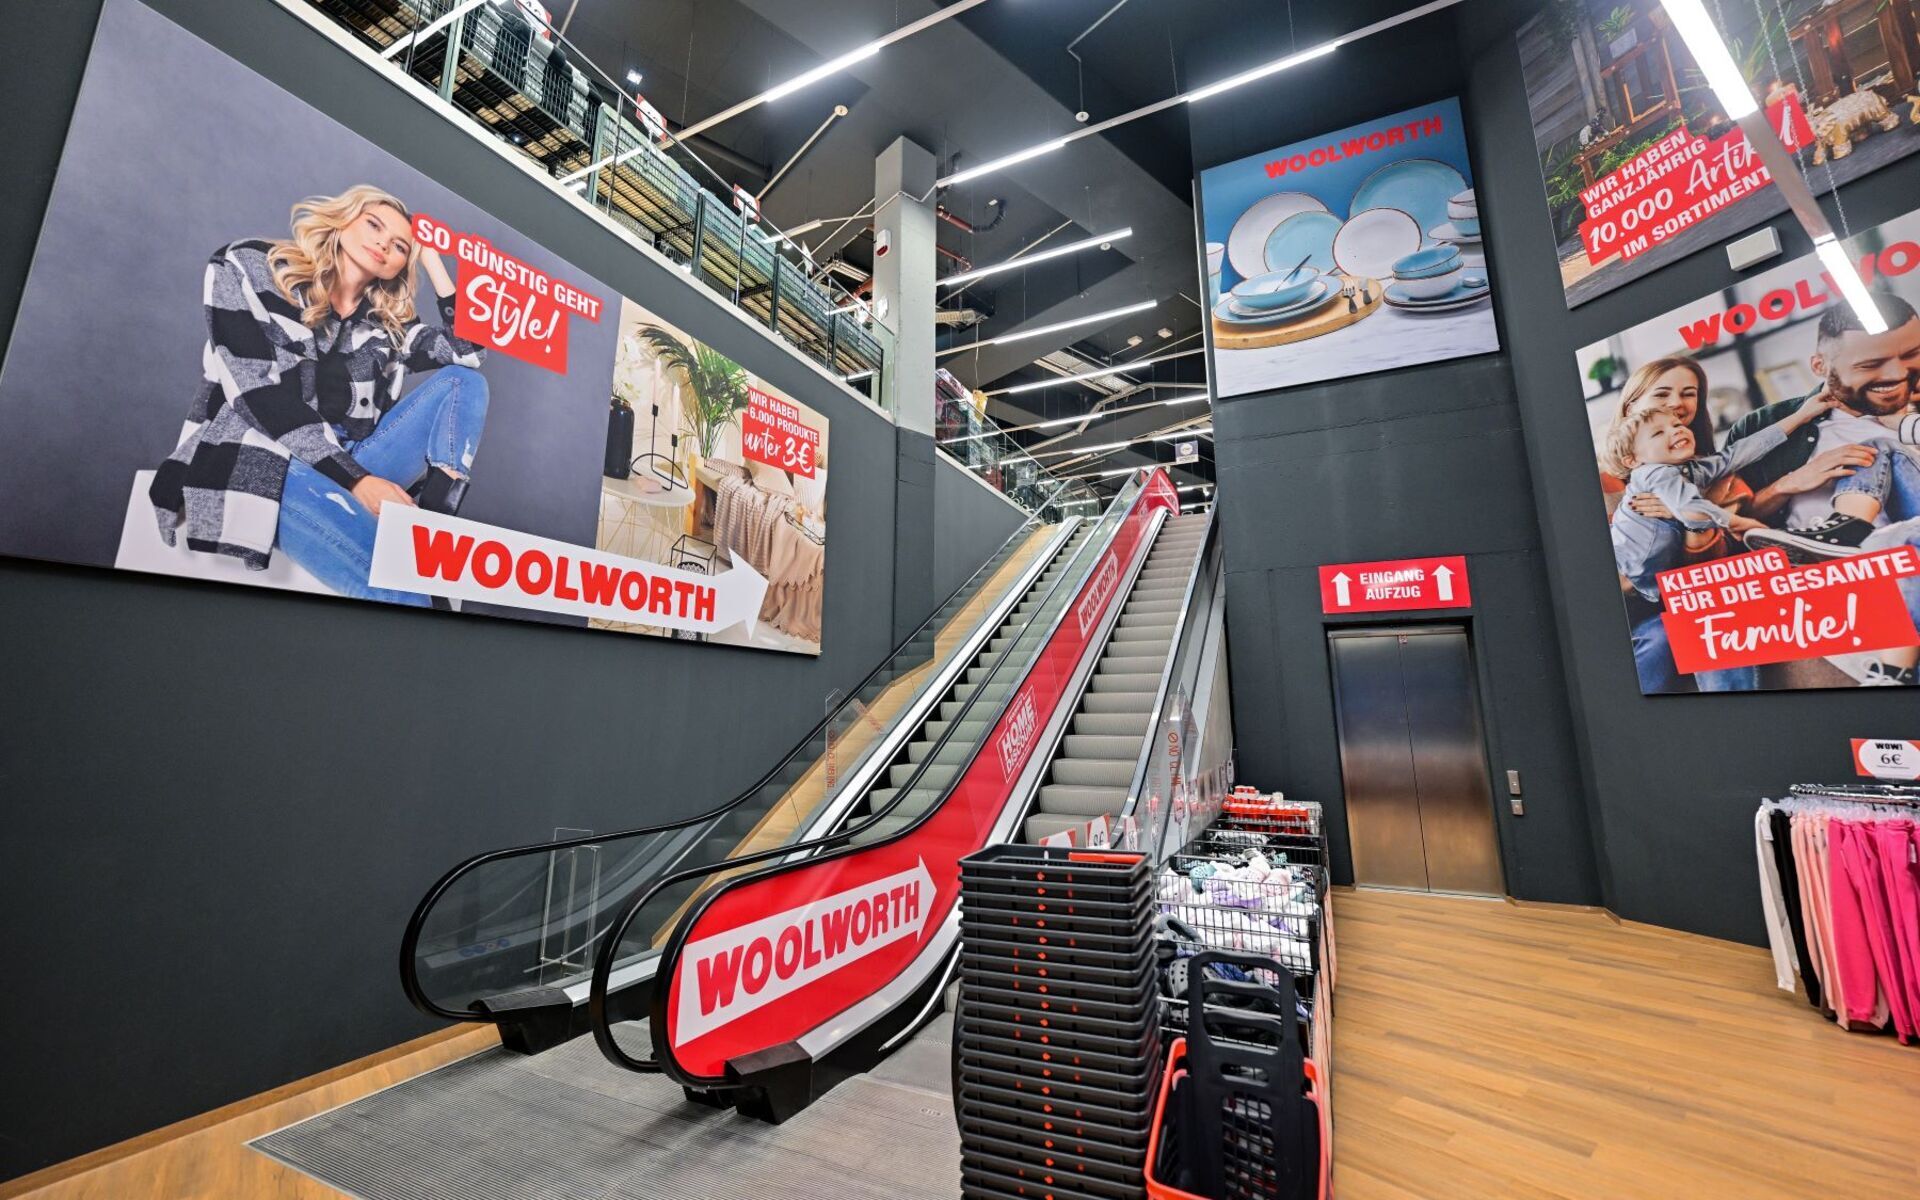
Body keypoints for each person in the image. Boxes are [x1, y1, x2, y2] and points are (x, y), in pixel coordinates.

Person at [150, 186, 488, 607]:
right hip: (270, 455)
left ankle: (436, 517)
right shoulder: (250, 265)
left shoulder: (386, 321)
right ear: (343, 220)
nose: (384, 243)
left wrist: (433, 260)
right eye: (374, 225)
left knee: (463, 381)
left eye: (401, 246)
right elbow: (256, 394)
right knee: (401, 589)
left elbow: (470, 352)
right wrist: (357, 481)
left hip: (355, 456)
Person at [1604, 355, 1762, 693]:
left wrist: (1688, 516)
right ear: (1632, 407)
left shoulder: (1718, 475)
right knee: (1661, 636)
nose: (1676, 403)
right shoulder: (1600, 482)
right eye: (1662, 394)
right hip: (1626, 611)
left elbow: (1710, 574)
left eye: (1689, 394)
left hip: (1689, 602)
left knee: (1706, 619)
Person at [1606, 389, 1831, 603]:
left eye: (1677, 424)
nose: (1676, 431)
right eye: (1658, 433)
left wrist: (1801, 416)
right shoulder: (1655, 473)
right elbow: (1692, 511)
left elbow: (1739, 453)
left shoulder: (1691, 469)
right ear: (1633, 460)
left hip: (1642, 582)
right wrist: (1739, 522)